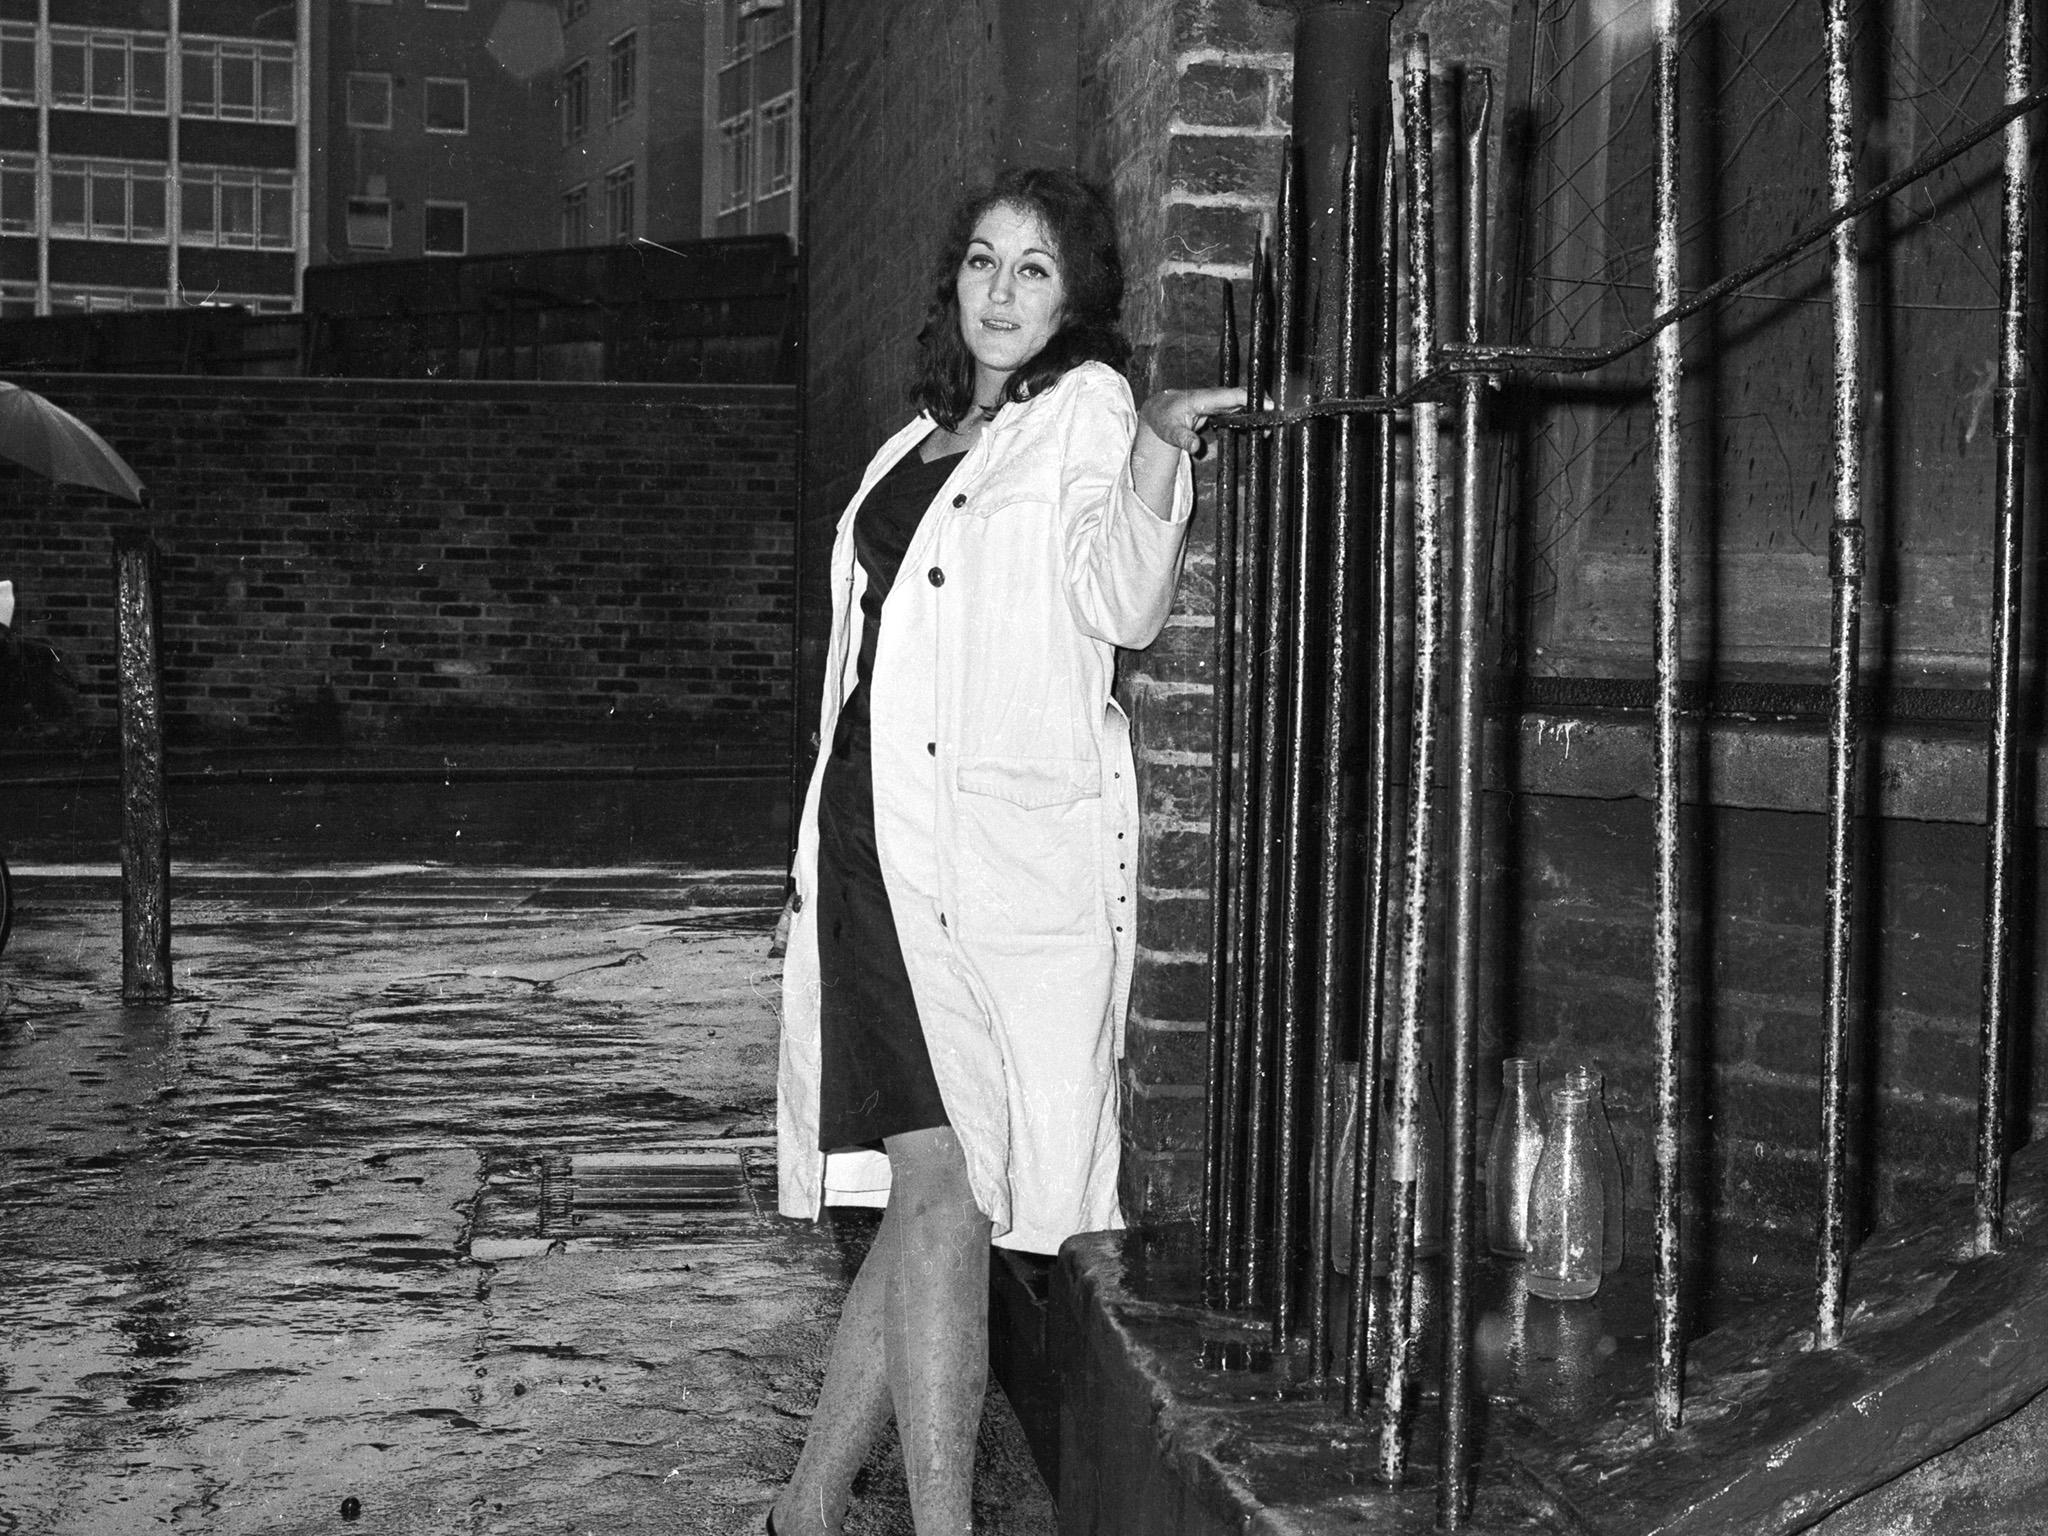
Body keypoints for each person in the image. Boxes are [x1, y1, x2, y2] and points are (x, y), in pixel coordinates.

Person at [770, 166, 1242, 1536]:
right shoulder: (917, 438)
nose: (1002, 291)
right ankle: (810, 1507)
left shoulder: (1080, 414)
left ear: (1076, 295)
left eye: (1036, 270)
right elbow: (868, 673)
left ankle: (910, 1523)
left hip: (975, 871)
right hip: (869, 850)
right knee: (937, 1192)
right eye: (984, 261)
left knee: (942, 1191)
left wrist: (1159, 446)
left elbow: (1120, 598)